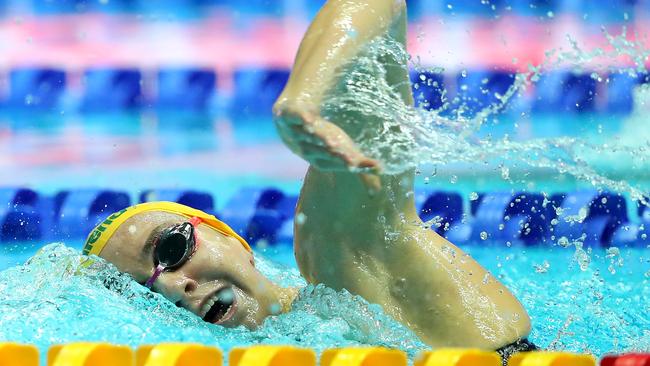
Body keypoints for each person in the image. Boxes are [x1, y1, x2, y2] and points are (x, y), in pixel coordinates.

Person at [83, 0, 537, 362]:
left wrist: (303, 99)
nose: (172, 288)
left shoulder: (345, 268)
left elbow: (378, 4)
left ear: (228, 234)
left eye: (171, 250)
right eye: (141, 295)